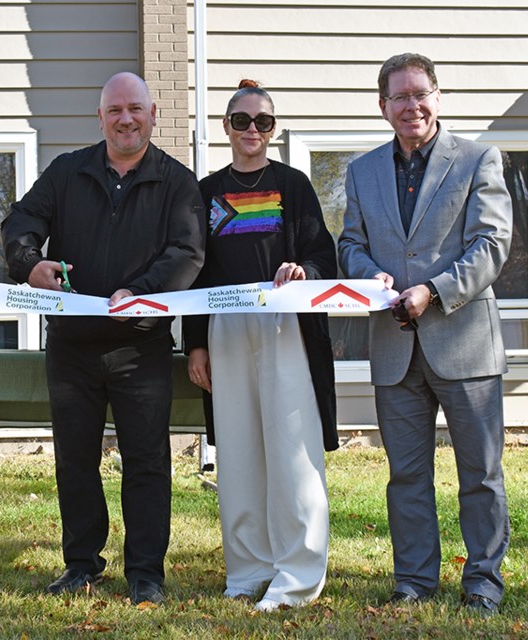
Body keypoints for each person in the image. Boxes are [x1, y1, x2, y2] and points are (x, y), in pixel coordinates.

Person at [2, 72, 205, 605]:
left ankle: (145, 574)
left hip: (141, 346)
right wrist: (28, 264)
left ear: (153, 113)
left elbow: (187, 254)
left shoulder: (177, 182)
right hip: (72, 345)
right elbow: (20, 220)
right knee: (74, 460)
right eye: (114, 110)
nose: (125, 119)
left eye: (135, 108)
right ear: (100, 118)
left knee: (147, 460)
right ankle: (81, 565)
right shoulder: (68, 172)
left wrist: (139, 294)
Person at [338, 52, 512, 615]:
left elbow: (492, 245)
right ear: (382, 106)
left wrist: (433, 291)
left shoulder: (478, 159)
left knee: (480, 474)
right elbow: (350, 245)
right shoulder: (362, 171)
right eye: (399, 97)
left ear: (437, 97)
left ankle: (483, 581)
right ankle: (414, 579)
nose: (411, 105)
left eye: (420, 93)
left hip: (463, 343)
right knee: (406, 475)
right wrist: (370, 277)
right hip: (393, 347)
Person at [182, 80, 338, 612]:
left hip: (284, 329)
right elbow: (195, 273)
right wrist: (195, 344)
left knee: (293, 453)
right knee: (239, 454)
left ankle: (296, 576)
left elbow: (322, 253)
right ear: (226, 127)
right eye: (243, 121)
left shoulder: (293, 186)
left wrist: (305, 271)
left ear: (274, 130)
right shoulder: (203, 193)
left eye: (264, 122)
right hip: (225, 332)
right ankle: (247, 572)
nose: (253, 130)